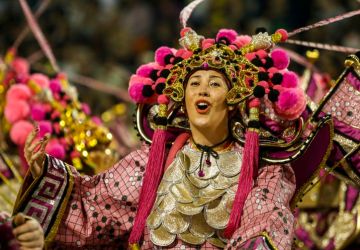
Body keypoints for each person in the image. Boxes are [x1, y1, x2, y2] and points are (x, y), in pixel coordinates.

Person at [13, 23, 314, 250]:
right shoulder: (151, 162)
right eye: (194, 83)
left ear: (234, 99)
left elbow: (266, 226)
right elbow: (93, 212)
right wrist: (43, 182)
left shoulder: (264, 171)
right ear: (181, 98)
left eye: (214, 84)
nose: (202, 90)